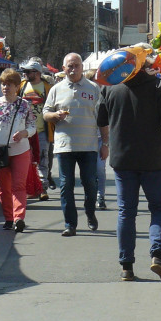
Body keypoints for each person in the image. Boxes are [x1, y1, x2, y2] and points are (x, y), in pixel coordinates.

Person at [97, 64, 161, 282]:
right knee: (159, 207)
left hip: (122, 158)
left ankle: (126, 266)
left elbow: (101, 119)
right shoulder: (157, 86)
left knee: (126, 211)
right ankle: (157, 254)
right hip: (152, 158)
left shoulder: (111, 87)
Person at [44, 53, 108, 236]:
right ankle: (70, 224)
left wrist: (105, 143)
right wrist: (55, 116)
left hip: (89, 145)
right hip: (65, 146)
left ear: (82, 67)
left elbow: (103, 119)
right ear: (63, 69)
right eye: (70, 66)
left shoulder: (94, 88)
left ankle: (90, 213)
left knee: (90, 183)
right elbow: (45, 113)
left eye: (76, 65)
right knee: (66, 185)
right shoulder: (56, 89)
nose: (73, 69)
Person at [0, 69, 37, 232]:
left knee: (19, 185)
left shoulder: (24, 105)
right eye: (3, 84)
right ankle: (8, 217)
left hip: (21, 151)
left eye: (9, 84)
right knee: (3, 187)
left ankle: (18, 218)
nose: (5, 87)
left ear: (17, 86)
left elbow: (32, 126)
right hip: (0, 151)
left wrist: (24, 133)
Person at [19, 58, 52, 199]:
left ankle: (43, 187)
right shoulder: (21, 86)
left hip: (42, 130)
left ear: (37, 73)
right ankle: (31, 187)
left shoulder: (48, 88)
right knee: (25, 159)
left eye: (28, 71)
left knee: (42, 159)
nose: (25, 74)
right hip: (24, 130)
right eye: (24, 71)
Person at [86, 69, 109, 209]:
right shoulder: (84, 96)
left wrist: (106, 142)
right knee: (89, 171)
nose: (98, 84)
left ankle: (101, 196)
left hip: (100, 137)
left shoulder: (104, 96)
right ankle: (90, 195)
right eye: (96, 81)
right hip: (86, 138)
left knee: (100, 169)